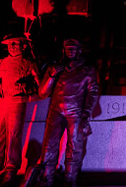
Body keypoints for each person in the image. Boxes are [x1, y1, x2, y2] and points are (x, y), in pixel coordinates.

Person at [37, 39, 99, 187]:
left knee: (74, 147)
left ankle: (70, 179)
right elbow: (42, 93)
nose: (70, 51)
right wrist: (51, 76)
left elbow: (93, 93)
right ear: (63, 51)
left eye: (73, 48)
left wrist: (86, 113)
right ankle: (47, 179)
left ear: (79, 50)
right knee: (49, 146)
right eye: (67, 49)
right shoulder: (56, 68)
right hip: (55, 112)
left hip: (76, 112)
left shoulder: (88, 70)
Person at [0, 34, 40, 187]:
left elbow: (39, 87)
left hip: (16, 102)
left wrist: (28, 97)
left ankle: (10, 171)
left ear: (23, 46)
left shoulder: (28, 64)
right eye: (9, 44)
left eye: (15, 43)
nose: (12, 46)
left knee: (13, 137)